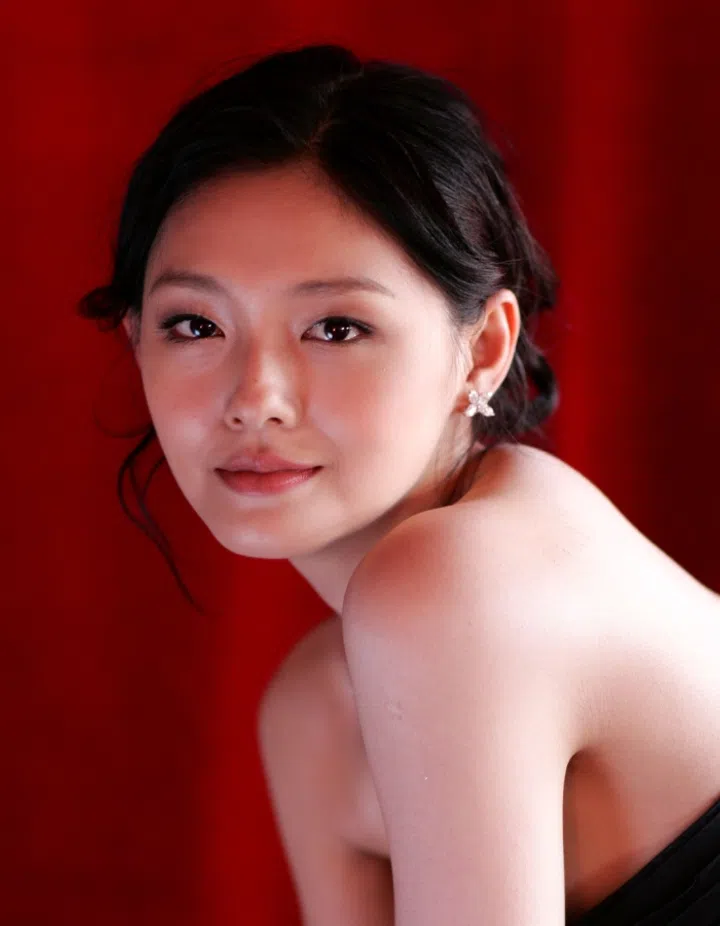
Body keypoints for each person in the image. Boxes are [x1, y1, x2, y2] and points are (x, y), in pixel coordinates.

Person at [78, 43, 720, 926]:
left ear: (484, 349)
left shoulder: (454, 584)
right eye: (194, 325)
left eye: (337, 328)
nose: (255, 398)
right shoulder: (314, 710)